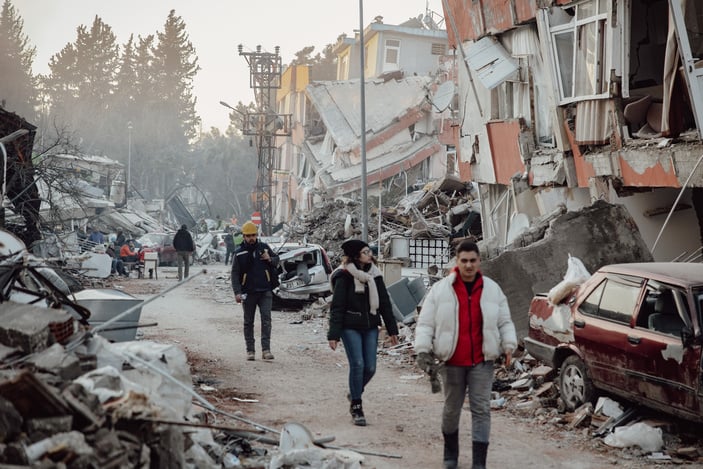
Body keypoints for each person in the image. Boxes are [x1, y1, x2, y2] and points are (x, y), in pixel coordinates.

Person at [413, 240, 517, 469]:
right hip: (451, 361)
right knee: (452, 409)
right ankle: (450, 455)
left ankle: (479, 462)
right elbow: (425, 324)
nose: (469, 265)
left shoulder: (492, 289)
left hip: (482, 361)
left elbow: (504, 321)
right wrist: (422, 349)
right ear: (457, 262)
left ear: (479, 261)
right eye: (464, 261)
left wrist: (509, 344)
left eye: (473, 260)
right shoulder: (440, 290)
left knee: (481, 410)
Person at [327, 239, 399, 427]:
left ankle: (355, 391)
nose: (370, 255)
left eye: (369, 251)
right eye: (365, 252)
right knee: (358, 364)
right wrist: (333, 334)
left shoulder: (375, 275)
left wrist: (392, 330)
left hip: (370, 327)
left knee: (371, 368)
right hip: (349, 326)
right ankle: (357, 406)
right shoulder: (344, 277)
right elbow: (337, 307)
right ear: (356, 255)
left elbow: (384, 303)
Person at [231, 221, 280, 361]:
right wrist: (237, 292)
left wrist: (269, 258)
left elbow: (277, 260)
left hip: (265, 291)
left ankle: (266, 350)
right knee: (248, 322)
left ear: (256, 235)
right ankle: (250, 351)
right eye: (248, 236)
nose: (251, 238)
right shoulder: (239, 253)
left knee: (266, 320)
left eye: (253, 235)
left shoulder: (264, 248)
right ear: (244, 236)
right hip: (248, 292)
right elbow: (234, 274)